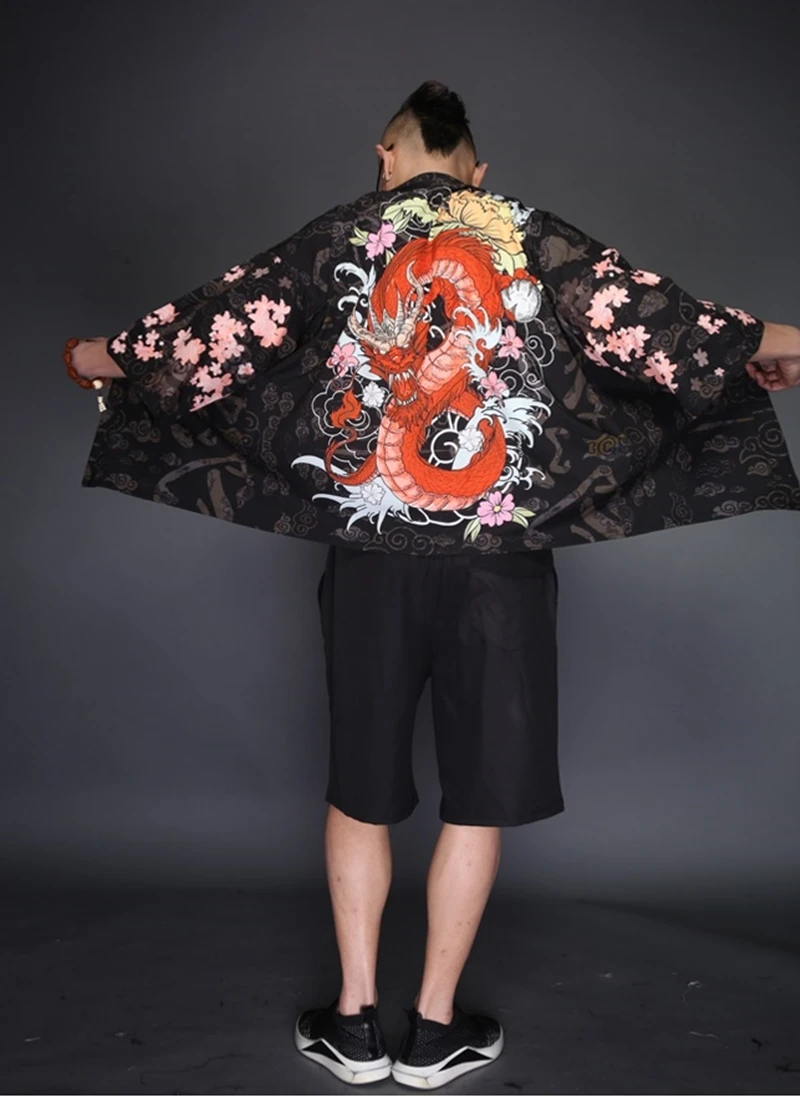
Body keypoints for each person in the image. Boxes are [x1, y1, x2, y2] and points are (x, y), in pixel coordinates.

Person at [67, 80, 800, 1089]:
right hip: (497, 560)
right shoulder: (530, 234)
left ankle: (353, 1022)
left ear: (385, 155)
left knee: (358, 788)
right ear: (477, 170)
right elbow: (662, 326)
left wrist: (94, 357)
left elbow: (216, 332)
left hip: (371, 551)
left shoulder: (340, 236)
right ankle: (434, 1029)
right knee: (477, 796)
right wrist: (781, 345)